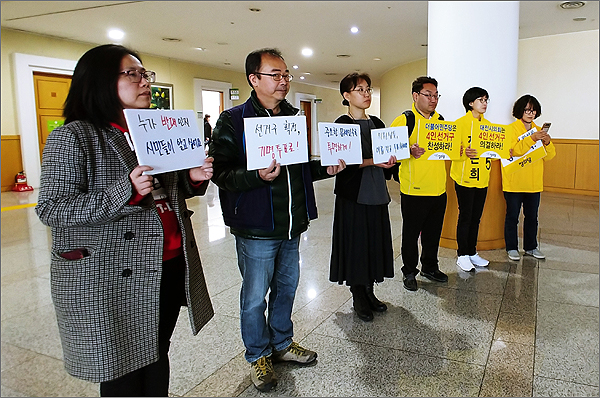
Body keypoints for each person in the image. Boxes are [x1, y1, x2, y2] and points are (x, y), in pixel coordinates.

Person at [35, 44, 215, 397]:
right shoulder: (73, 136)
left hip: (167, 263)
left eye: (144, 73)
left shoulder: (153, 130)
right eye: (131, 74)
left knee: (155, 354)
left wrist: (193, 177)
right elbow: (52, 209)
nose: (144, 81)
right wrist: (125, 191)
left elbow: (169, 192)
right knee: (123, 367)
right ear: (101, 81)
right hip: (112, 273)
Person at [208, 48, 346, 392]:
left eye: (286, 74)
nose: (283, 81)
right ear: (254, 79)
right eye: (275, 74)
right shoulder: (232, 120)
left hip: (291, 223)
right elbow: (220, 173)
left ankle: (282, 343)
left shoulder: (292, 117)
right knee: (255, 296)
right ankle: (258, 355)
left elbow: (296, 167)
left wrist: (323, 168)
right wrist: (256, 176)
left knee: (286, 288)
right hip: (256, 226)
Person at [329, 72, 395, 322]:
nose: (366, 94)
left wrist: (395, 157)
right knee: (356, 244)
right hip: (353, 194)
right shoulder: (342, 124)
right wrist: (373, 162)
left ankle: (370, 291)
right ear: (347, 96)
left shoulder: (377, 123)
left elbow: (386, 153)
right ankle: (358, 294)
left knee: (373, 242)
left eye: (368, 89)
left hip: (377, 192)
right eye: (359, 90)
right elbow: (343, 162)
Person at [390, 76, 449, 291]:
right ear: (416, 96)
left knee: (433, 233)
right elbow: (388, 151)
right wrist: (408, 150)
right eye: (428, 95)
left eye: (436, 95)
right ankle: (409, 271)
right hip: (413, 190)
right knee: (411, 235)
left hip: (438, 189)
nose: (433, 99)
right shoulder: (404, 120)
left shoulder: (441, 121)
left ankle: (430, 267)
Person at [502, 94, 556, 261]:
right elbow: (514, 151)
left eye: (533, 110)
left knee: (532, 217)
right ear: (520, 111)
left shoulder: (540, 130)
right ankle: (511, 247)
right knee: (512, 216)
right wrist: (532, 139)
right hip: (514, 181)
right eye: (526, 110)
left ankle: (531, 247)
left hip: (533, 183)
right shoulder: (510, 129)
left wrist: (547, 142)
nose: (530, 113)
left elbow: (549, 156)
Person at [450, 87, 494, 272]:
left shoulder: (489, 125)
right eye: (480, 100)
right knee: (465, 216)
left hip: (482, 178)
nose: (484, 103)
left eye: (486, 100)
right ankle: (462, 255)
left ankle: (472, 251)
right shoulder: (459, 124)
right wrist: (463, 153)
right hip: (464, 178)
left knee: (476, 217)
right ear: (470, 103)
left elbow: (492, 149)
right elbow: (450, 151)